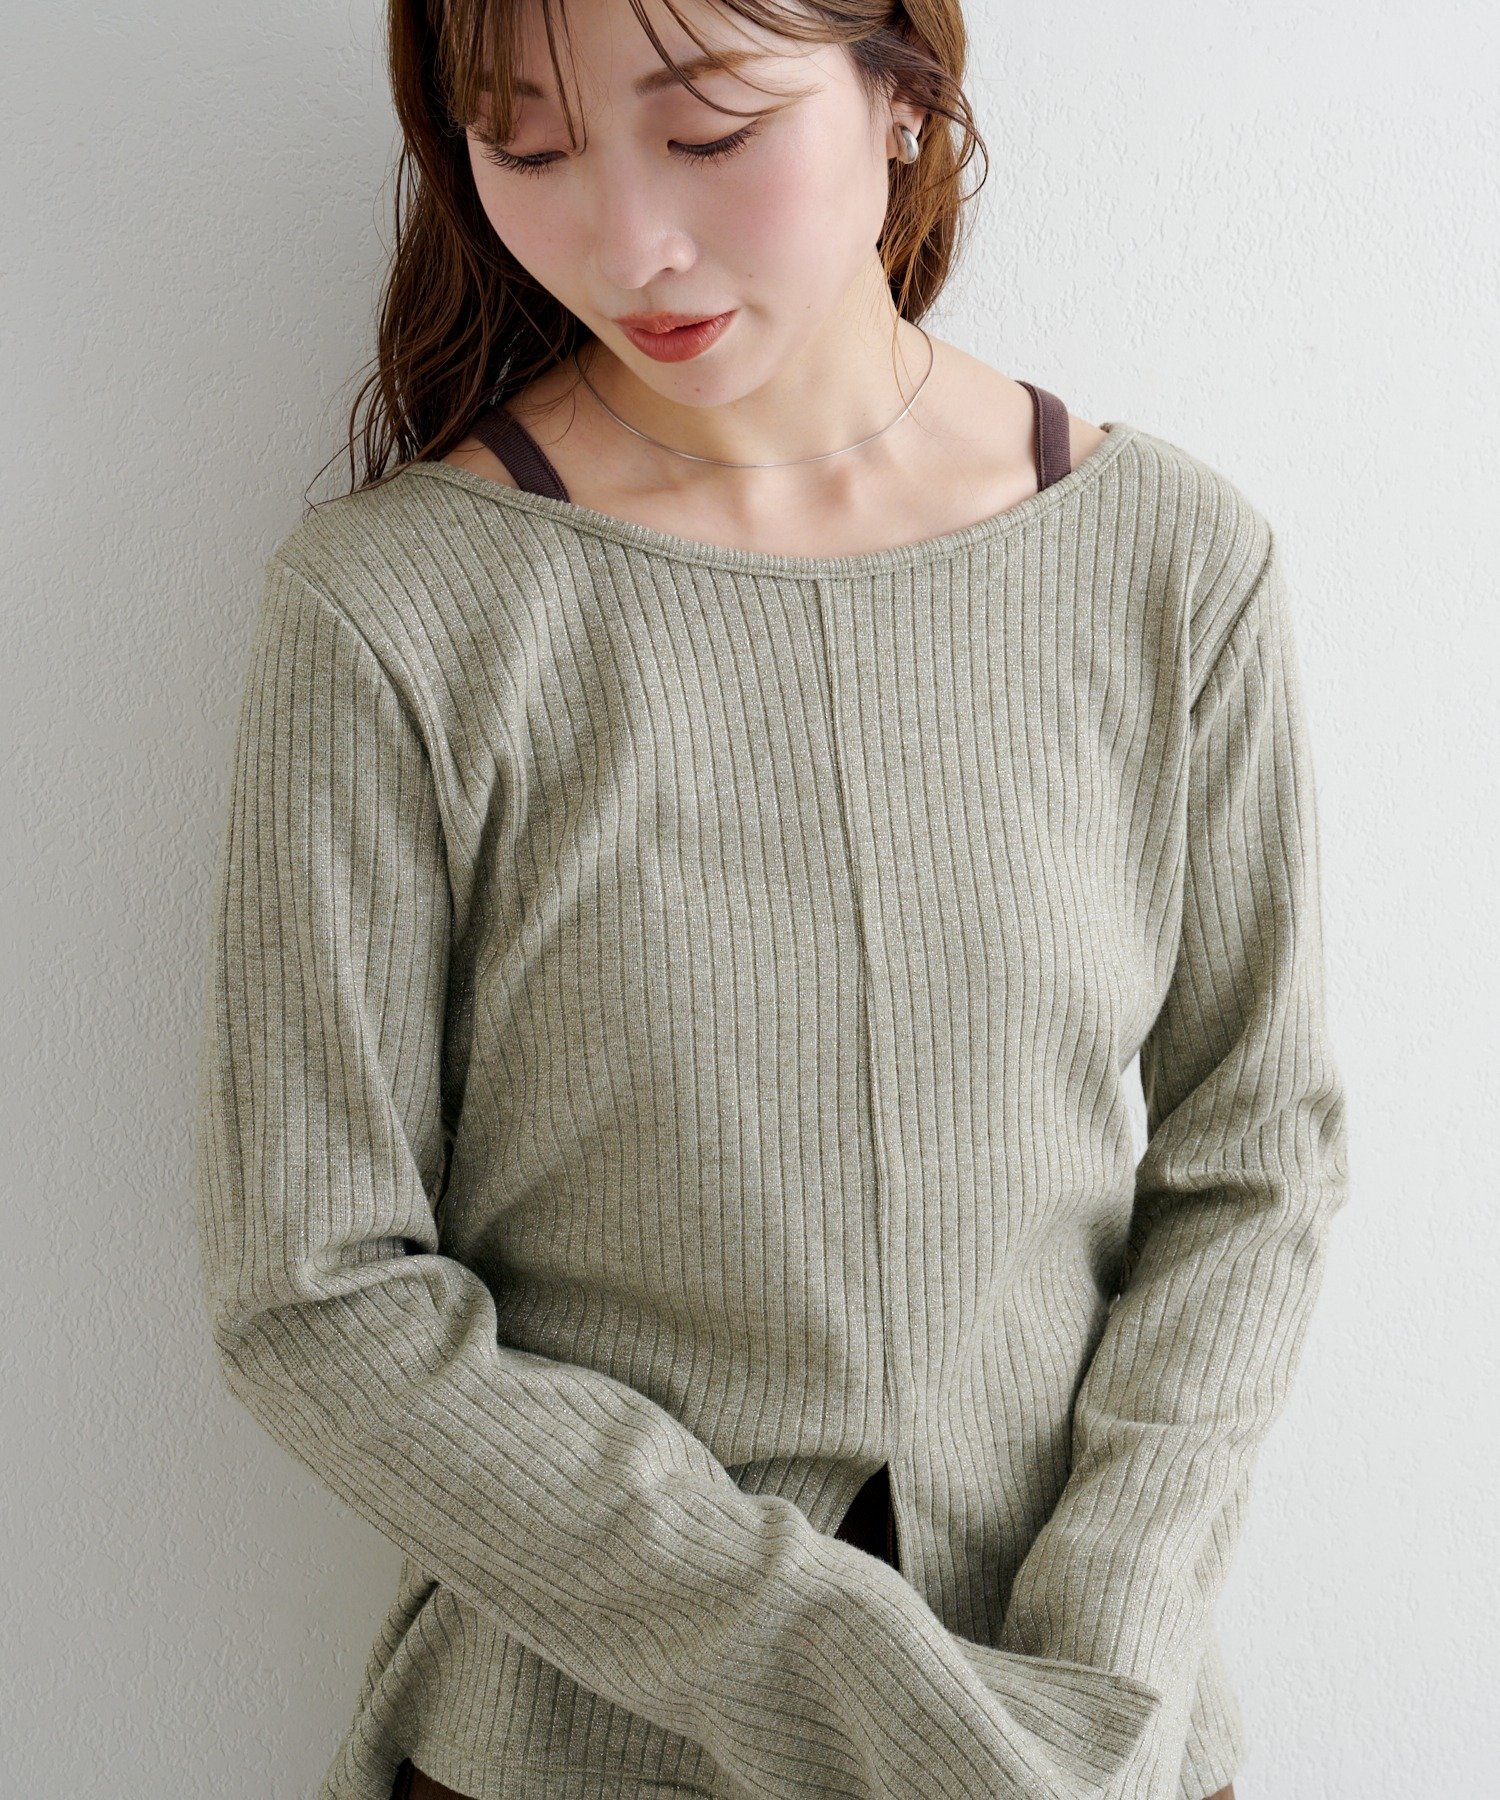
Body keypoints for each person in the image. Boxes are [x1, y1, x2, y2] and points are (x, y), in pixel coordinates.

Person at [190, 0, 1349, 1795]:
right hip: (577, 1752)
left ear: (903, 94)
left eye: (710, 131)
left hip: (1098, 1748)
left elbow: (1256, 1155)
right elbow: (314, 1289)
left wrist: (1101, 1676)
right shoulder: (396, 612)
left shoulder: (1170, 562)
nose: (628, 243)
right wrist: (872, 1692)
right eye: (528, 144)